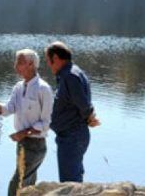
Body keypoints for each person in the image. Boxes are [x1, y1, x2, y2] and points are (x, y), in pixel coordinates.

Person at [0, 49, 54, 196]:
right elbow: (6, 110)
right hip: (22, 144)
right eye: (16, 62)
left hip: (36, 145)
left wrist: (24, 133)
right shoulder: (18, 87)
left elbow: (46, 123)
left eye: (19, 62)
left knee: (16, 185)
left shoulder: (44, 89)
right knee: (28, 188)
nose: (15, 66)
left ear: (31, 64)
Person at [44, 41, 100, 183]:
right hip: (71, 136)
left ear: (55, 58)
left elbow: (83, 104)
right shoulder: (71, 73)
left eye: (48, 61)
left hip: (72, 137)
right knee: (73, 181)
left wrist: (89, 116)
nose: (48, 65)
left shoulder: (70, 76)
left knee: (70, 184)